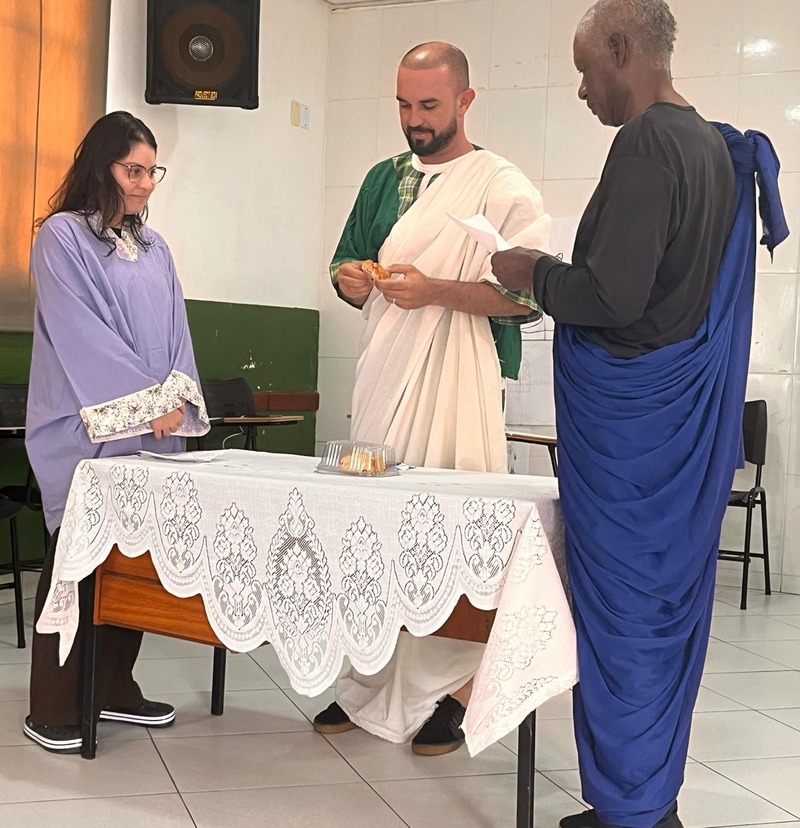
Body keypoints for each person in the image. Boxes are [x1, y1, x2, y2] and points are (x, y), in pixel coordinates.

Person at [492, 1, 789, 826]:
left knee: (621, 621)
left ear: (622, 50)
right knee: (656, 617)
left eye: (586, 69)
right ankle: (646, 801)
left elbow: (614, 299)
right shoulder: (711, 148)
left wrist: (531, 269)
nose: (583, 89)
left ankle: (635, 814)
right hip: (670, 434)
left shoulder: (650, 142)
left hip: (634, 436)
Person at [313, 41, 551, 755]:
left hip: (460, 382)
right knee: (374, 526)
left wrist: (436, 292)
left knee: (447, 528)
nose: (414, 119)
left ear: (465, 101)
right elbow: (345, 261)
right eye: (403, 105)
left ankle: (455, 685)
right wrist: (350, 278)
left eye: (428, 105)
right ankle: (371, 674)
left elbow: (529, 295)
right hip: (385, 377)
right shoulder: (381, 179)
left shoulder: (499, 184)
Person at [24, 111, 211, 754]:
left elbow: (178, 332)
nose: (145, 184)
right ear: (101, 166)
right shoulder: (62, 236)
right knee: (77, 561)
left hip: (154, 431)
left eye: (153, 171)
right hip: (86, 428)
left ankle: (112, 687)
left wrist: (174, 399)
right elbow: (81, 332)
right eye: (134, 170)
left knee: (135, 559)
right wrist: (142, 404)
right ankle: (53, 703)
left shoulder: (155, 247)